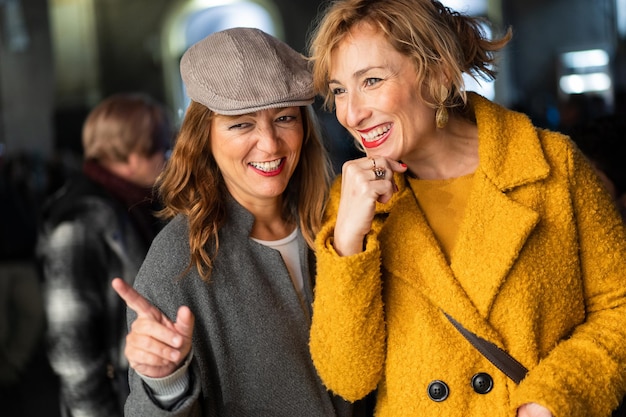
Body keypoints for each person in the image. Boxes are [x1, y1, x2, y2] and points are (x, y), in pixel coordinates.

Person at [305, 1, 626, 416]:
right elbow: (347, 378)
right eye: (339, 90)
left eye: (371, 81)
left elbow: (618, 310)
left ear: (437, 71)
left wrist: (553, 400)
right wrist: (348, 243)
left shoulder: (553, 168)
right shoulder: (353, 202)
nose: (351, 113)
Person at [111, 27, 368, 417]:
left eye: (284, 117)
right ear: (204, 138)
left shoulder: (341, 218)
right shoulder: (178, 259)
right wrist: (166, 383)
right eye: (241, 124)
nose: (269, 143)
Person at [37, 92, 172, 417]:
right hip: (113, 400)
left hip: (144, 391)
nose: (169, 159)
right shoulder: (79, 222)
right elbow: (73, 346)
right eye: (161, 149)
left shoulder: (134, 203)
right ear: (128, 155)